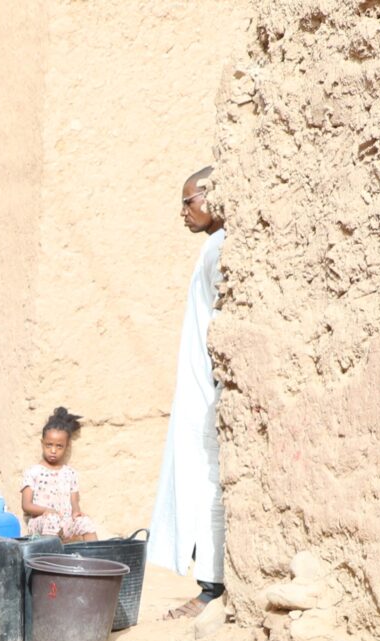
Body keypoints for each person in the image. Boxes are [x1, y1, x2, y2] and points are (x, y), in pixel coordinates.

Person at [151, 166, 227, 615]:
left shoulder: (221, 249)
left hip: (211, 393)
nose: (183, 211)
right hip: (200, 389)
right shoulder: (211, 250)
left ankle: (212, 588)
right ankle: (209, 583)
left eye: (188, 200)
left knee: (209, 484)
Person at [22, 407, 99, 542]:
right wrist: (46, 511)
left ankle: (95, 559)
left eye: (59, 446)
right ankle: (51, 559)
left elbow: (74, 502)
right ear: (42, 444)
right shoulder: (33, 472)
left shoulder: (70, 473)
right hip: (41, 522)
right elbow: (26, 505)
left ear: (67, 446)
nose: (53, 450)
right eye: (49, 445)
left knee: (85, 521)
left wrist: (76, 513)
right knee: (52, 520)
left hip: (65, 521)